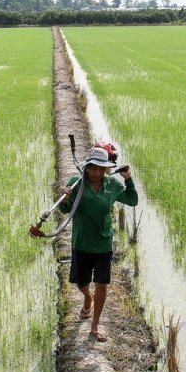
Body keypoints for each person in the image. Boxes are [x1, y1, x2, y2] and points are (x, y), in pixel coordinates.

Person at [59, 146, 137, 342]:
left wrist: (128, 179)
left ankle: (95, 325)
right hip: (82, 239)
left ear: (106, 169)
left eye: (101, 169)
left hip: (103, 242)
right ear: (86, 168)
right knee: (80, 280)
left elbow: (132, 200)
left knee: (102, 282)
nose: (97, 172)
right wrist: (66, 197)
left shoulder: (111, 185)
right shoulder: (75, 184)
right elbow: (65, 209)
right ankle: (87, 297)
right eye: (93, 168)